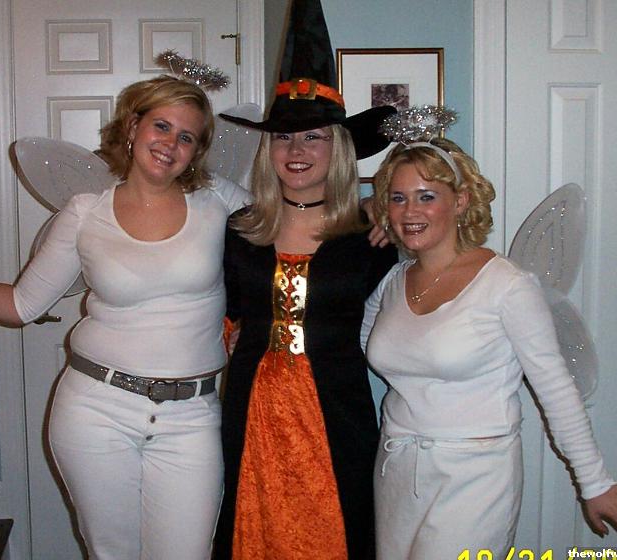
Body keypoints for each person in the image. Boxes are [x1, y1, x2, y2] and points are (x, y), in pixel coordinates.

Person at [0, 75, 251, 560]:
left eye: (186, 136)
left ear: (196, 151)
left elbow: (286, 248)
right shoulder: (85, 213)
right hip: (97, 411)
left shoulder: (220, 200)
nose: (170, 144)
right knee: (112, 553)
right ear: (133, 126)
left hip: (192, 417)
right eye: (161, 126)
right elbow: (21, 305)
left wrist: (256, 322)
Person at [361, 132, 617, 559]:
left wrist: (594, 482)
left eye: (427, 196)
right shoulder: (393, 281)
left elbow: (555, 388)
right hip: (397, 466)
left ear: (461, 201)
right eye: (398, 198)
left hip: (476, 475)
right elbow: (363, 341)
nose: (410, 211)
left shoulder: (507, 285)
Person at [212, 1, 397, 558]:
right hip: (252, 415)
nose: (296, 151)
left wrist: (388, 211)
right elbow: (218, 313)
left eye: (313, 137)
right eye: (284, 138)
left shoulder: (370, 236)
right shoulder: (239, 231)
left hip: (337, 418)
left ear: (337, 149)